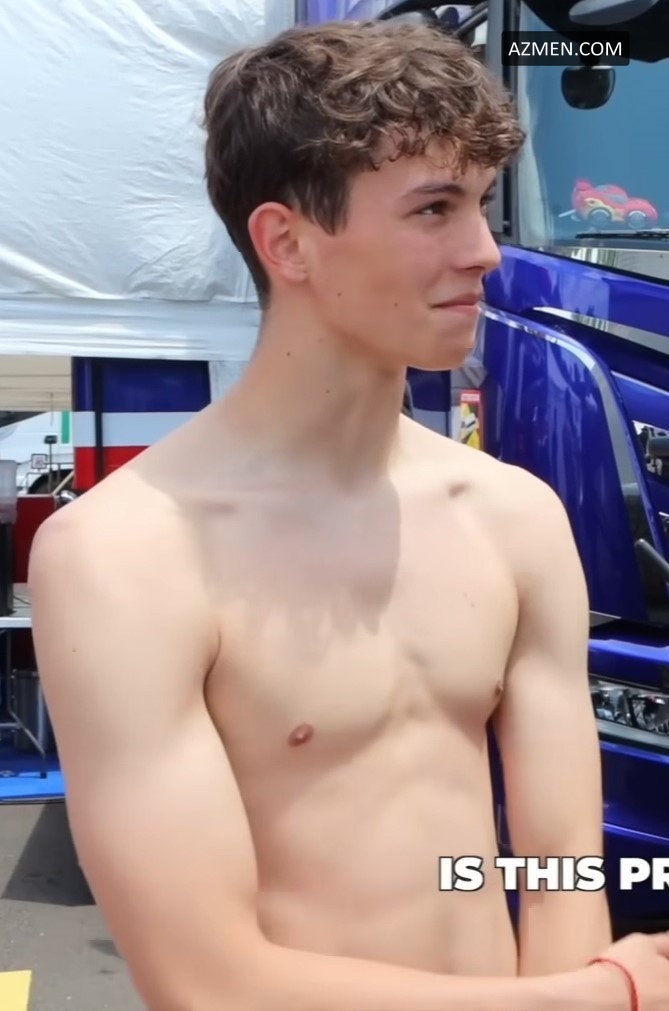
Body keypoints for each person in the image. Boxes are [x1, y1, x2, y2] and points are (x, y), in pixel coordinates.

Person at [28, 18, 669, 1011]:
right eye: (434, 208)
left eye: (483, 203)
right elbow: (206, 983)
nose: (485, 252)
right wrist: (597, 996)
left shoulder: (515, 519)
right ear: (286, 241)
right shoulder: (125, 557)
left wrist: (577, 984)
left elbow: (558, 869)